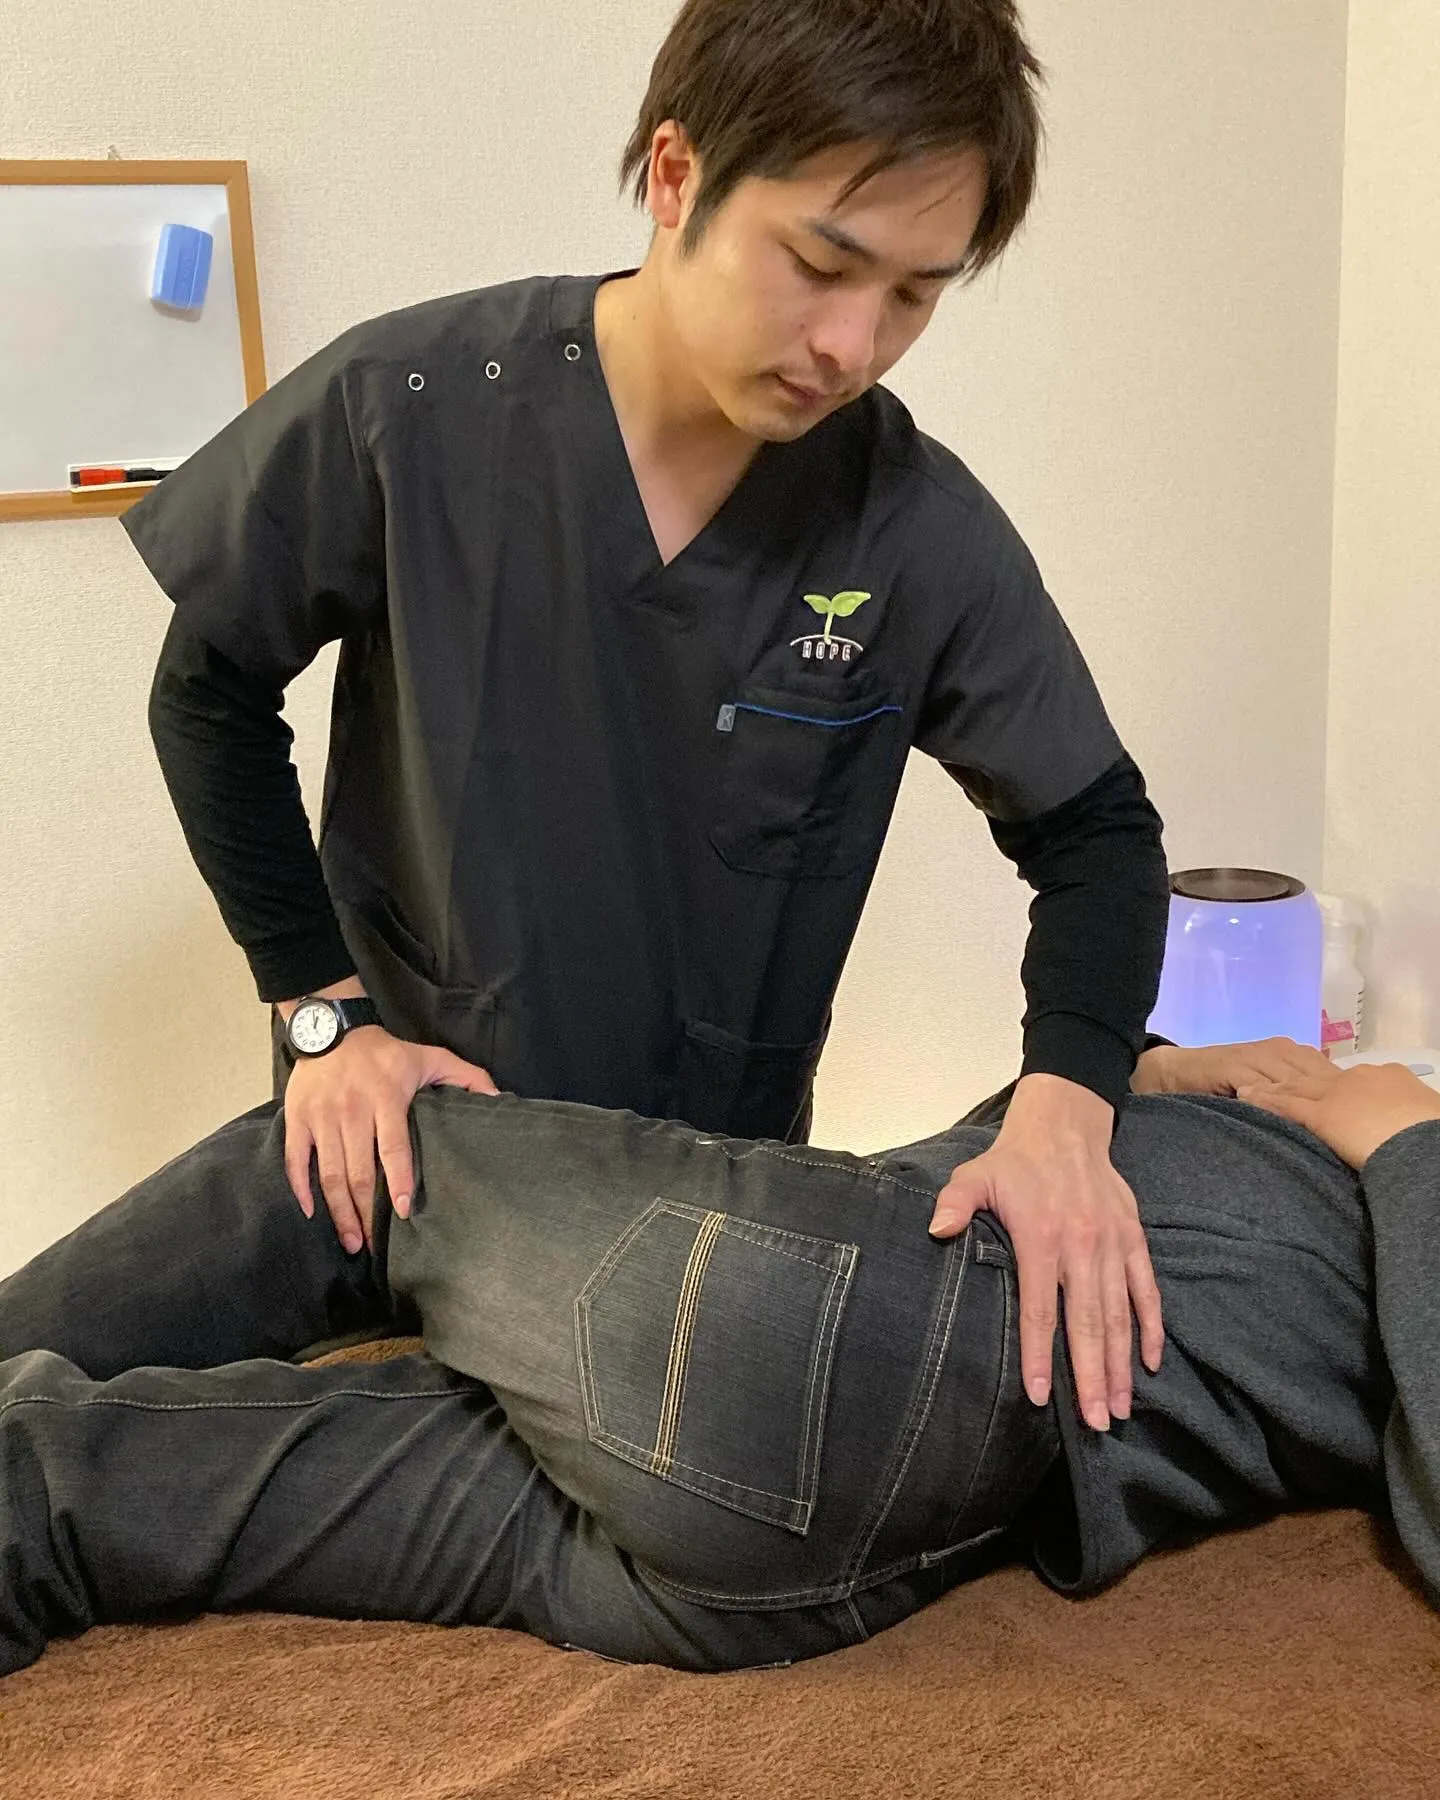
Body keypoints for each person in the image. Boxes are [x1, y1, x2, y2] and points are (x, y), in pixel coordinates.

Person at [128, 0, 1170, 1438]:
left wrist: (1068, 1102)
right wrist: (319, 1014)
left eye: (914, 297)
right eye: (822, 264)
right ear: (677, 176)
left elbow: (1099, 832)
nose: (853, 344)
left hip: (682, 1247)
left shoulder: (913, 529)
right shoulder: (415, 408)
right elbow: (207, 691)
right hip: (402, 1162)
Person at [2, 1039, 1437, 1679]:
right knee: (67, 1483)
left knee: (341, 1156)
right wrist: (1149, 1070)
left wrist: (1402, 1137)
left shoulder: (1411, 1155)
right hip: (822, 1535)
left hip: (871, 1349)